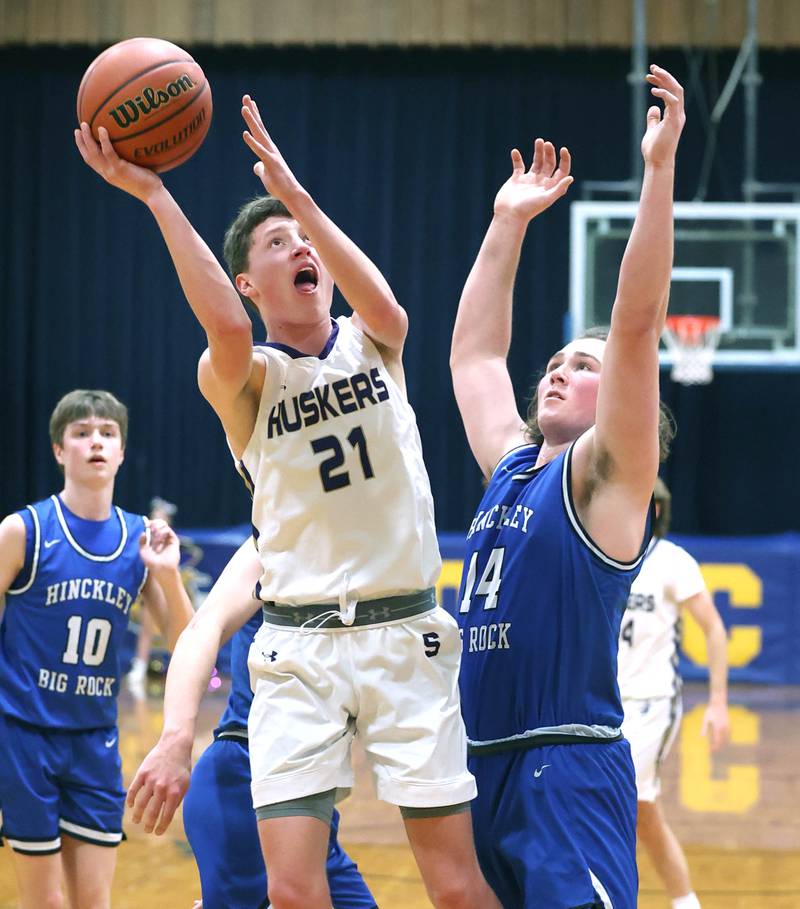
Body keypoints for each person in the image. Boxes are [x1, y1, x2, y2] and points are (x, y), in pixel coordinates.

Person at [76, 99, 500, 909]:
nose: (300, 247)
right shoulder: (244, 379)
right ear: (248, 280)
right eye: (278, 244)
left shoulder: (374, 340)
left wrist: (300, 202)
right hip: (300, 647)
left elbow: (387, 305)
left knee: (453, 884)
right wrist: (157, 195)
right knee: (294, 892)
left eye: (304, 240)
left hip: (406, 629)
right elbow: (223, 327)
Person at [449, 64, 685, 909]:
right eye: (552, 363)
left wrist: (657, 172)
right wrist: (506, 222)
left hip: (564, 763)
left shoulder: (603, 479)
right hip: (476, 761)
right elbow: (474, 356)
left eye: (579, 367)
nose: (555, 372)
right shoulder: (512, 466)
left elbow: (635, 321)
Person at [0, 389, 194, 909]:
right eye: (82, 433)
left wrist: (169, 576)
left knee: (94, 902)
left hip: (95, 741)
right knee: (43, 902)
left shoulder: (139, 541)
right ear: (59, 450)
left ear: (122, 451)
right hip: (23, 736)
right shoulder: (23, 531)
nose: (96, 443)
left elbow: (187, 643)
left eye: (107, 433)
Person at [618, 478, 730, 909]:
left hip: (652, 703)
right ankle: (686, 901)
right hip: (603, 704)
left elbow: (715, 629)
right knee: (645, 816)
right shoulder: (604, 555)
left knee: (614, 800)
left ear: (656, 511)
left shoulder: (671, 561)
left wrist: (718, 703)